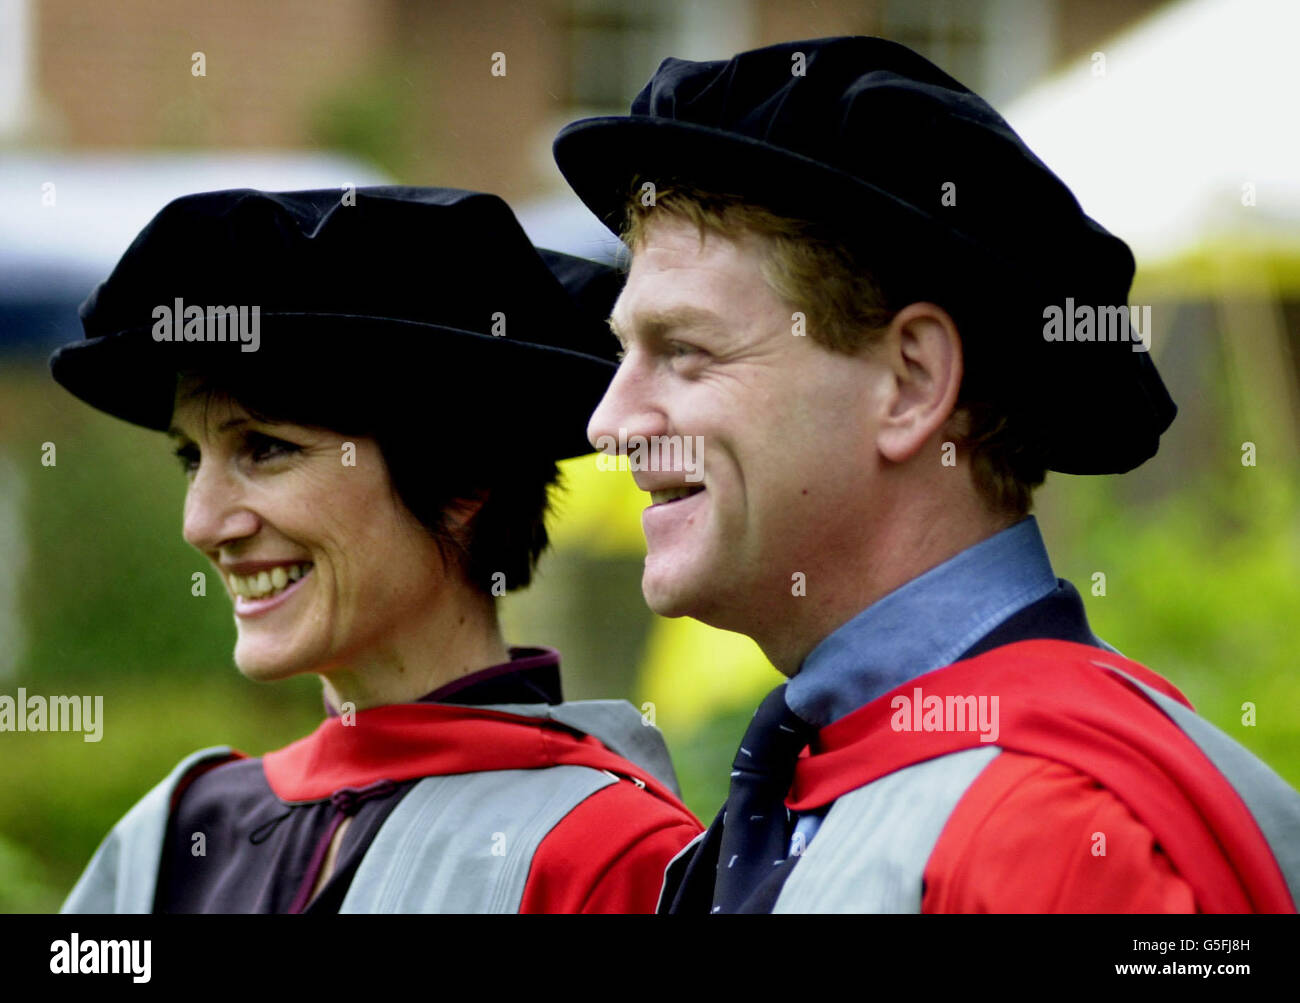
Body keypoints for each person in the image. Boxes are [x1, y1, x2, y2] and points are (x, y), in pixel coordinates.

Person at [553, 36, 1300, 913]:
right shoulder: (849, 776)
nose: (609, 421)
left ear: (909, 384)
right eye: (623, 352)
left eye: (684, 350)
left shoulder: (1056, 836)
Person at [52, 185, 702, 914]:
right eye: (190, 459)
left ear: (463, 477)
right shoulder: (175, 838)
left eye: (266, 449)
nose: (202, 524)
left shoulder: (608, 855)